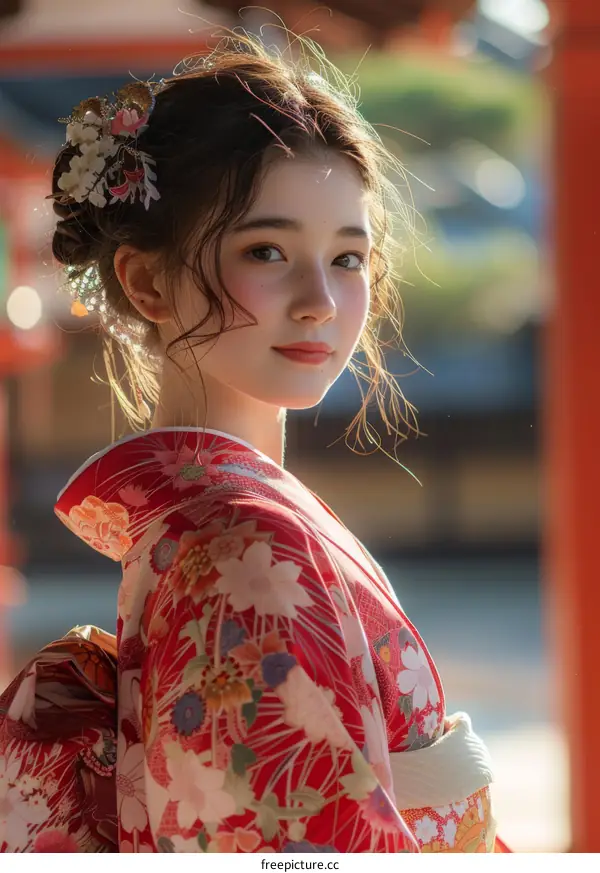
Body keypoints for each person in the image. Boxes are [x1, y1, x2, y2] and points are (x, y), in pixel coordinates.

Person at [0, 33, 510, 853]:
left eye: (348, 257)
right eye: (267, 250)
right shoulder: (243, 541)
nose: (320, 300)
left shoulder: (219, 522)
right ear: (144, 281)